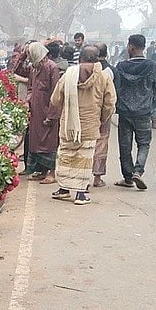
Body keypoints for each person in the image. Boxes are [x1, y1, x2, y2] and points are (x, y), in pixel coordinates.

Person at [48, 46, 116, 206]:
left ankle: (64, 189)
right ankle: (81, 193)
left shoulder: (68, 75)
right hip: (90, 125)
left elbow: (55, 99)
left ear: (80, 59)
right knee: (84, 159)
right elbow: (110, 103)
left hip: (68, 126)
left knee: (66, 157)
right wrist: (101, 119)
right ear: (97, 59)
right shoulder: (104, 77)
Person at [113, 33, 156, 190]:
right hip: (144, 111)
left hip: (125, 111)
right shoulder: (153, 66)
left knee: (125, 146)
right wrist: (153, 109)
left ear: (131, 47)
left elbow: (117, 88)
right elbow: (154, 88)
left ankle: (127, 177)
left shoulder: (121, 67)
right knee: (144, 143)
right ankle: (138, 171)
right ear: (143, 47)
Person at [26, 41, 62, 184]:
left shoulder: (51, 68)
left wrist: (52, 115)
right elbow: (30, 88)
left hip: (47, 112)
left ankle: (51, 173)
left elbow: (56, 93)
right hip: (36, 112)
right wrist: (28, 101)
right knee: (35, 143)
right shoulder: (34, 68)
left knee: (49, 143)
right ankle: (41, 170)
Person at [91, 42, 115, 188]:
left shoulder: (81, 70)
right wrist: (105, 115)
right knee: (101, 143)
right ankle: (97, 177)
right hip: (102, 113)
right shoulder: (110, 71)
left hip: (85, 113)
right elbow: (111, 98)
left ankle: (81, 178)